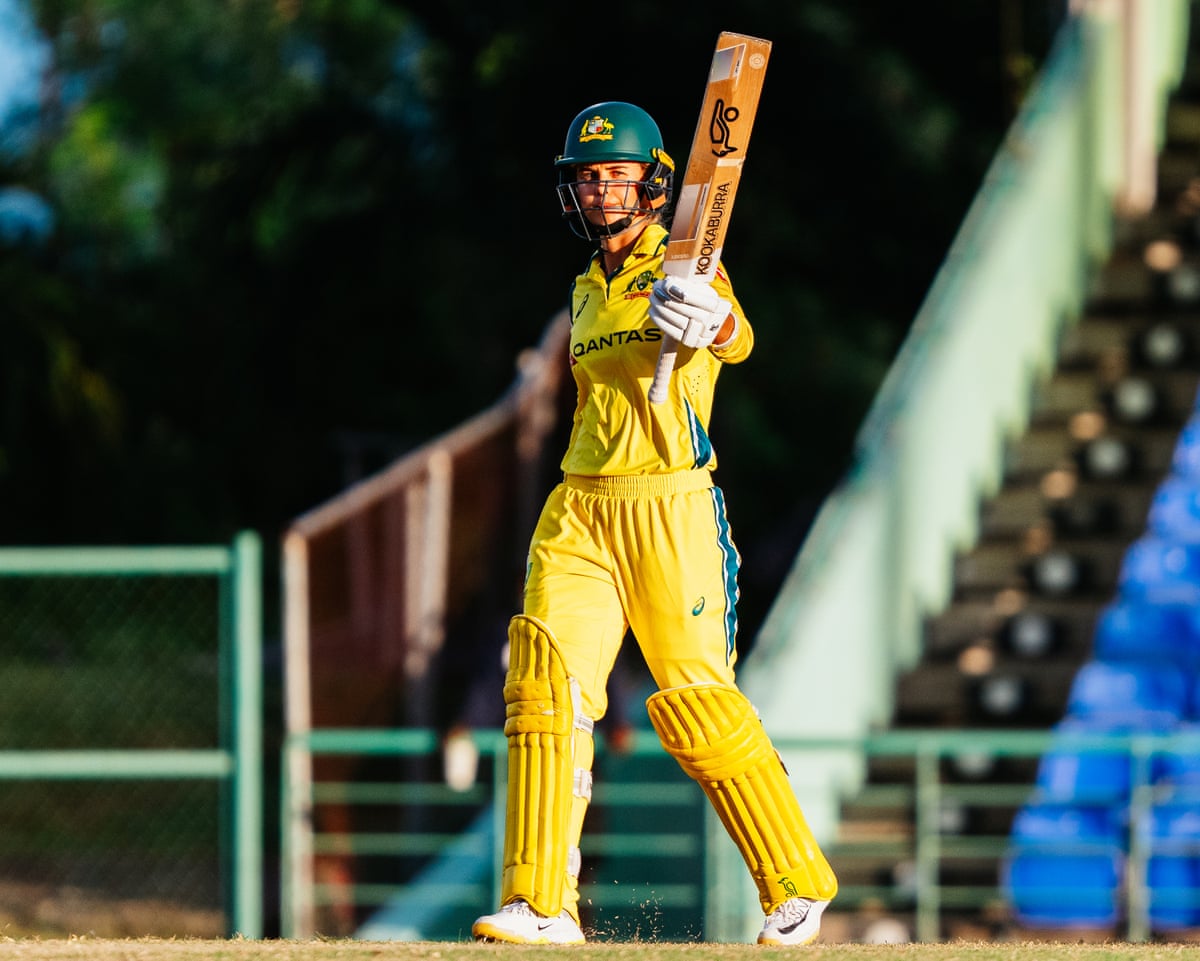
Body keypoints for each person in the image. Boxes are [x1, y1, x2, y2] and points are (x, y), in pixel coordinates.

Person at [471, 101, 838, 946]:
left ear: (653, 181)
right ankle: (541, 903)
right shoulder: (584, 285)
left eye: (616, 175)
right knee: (544, 687)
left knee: (695, 701)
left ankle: (794, 882)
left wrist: (709, 317)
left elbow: (736, 334)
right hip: (581, 504)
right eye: (588, 177)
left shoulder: (689, 263)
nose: (601, 190)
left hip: (671, 502)